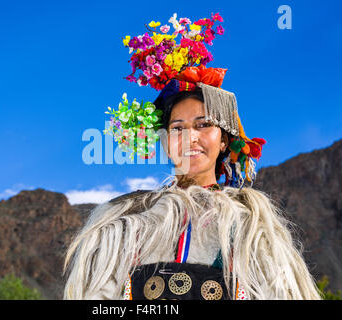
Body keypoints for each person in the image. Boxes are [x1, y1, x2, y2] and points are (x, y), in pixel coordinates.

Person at [63, 13, 321, 300]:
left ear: (223, 140)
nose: (190, 138)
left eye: (203, 125)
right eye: (177, 128)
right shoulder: (125, 223)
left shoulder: (252, 227)